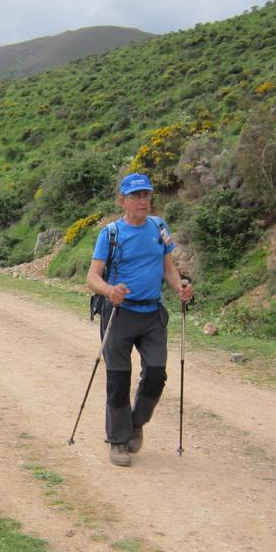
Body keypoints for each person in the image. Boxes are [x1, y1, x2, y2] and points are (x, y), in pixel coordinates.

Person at [86, 173, 194, 467]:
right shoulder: (110, 234)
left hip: (152, 313)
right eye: (136, 196)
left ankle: (136, 423)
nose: (143, 201)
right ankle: (119, 441)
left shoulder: (159, 228)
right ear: (123, 201)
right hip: (119, 314)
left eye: (146, 195)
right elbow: (92, 276)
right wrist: (110, 290)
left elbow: (167, 267)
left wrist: (179, 286)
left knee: (157, 374)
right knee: (119, 379)